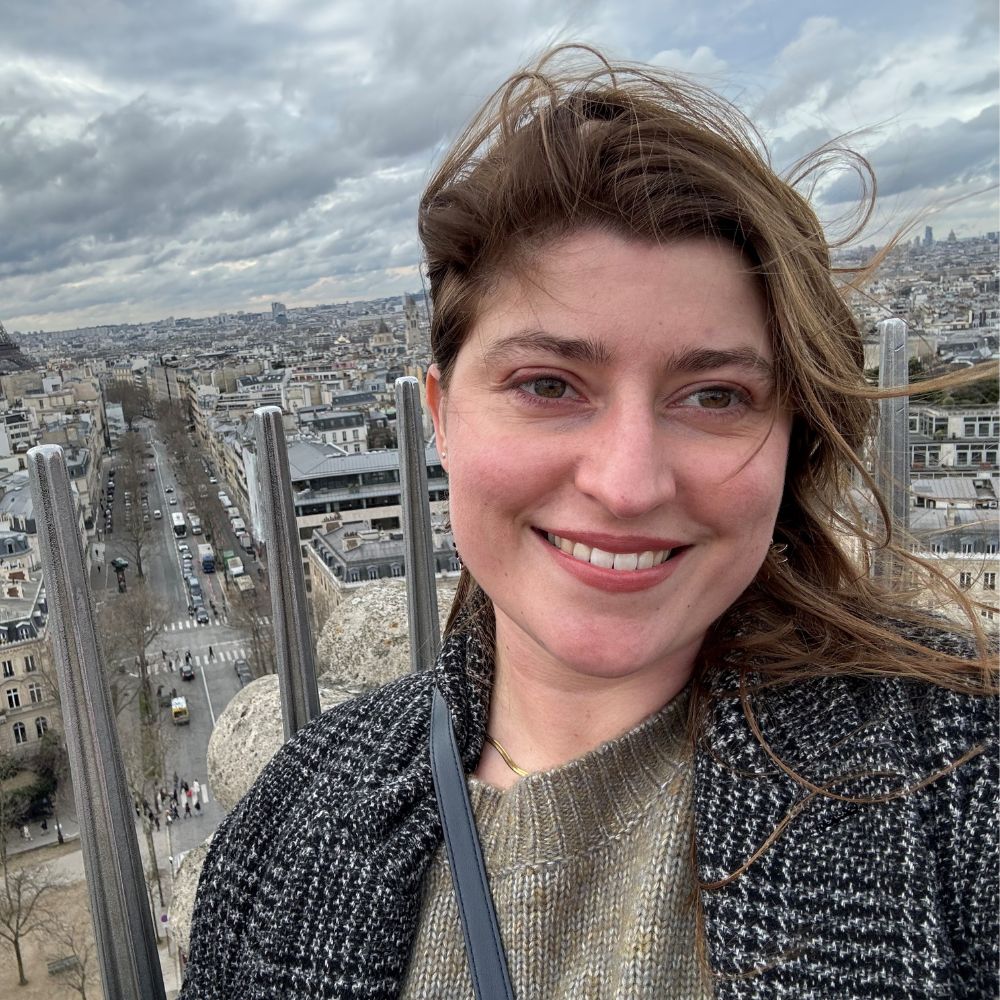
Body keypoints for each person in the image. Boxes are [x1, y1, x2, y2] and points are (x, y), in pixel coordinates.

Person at [181, 46, 997, 999]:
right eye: (548, 384)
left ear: (789, 437)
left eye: (716, 396)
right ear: (440, 418)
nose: (626, 482)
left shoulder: (964, 794)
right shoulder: (290, 817)